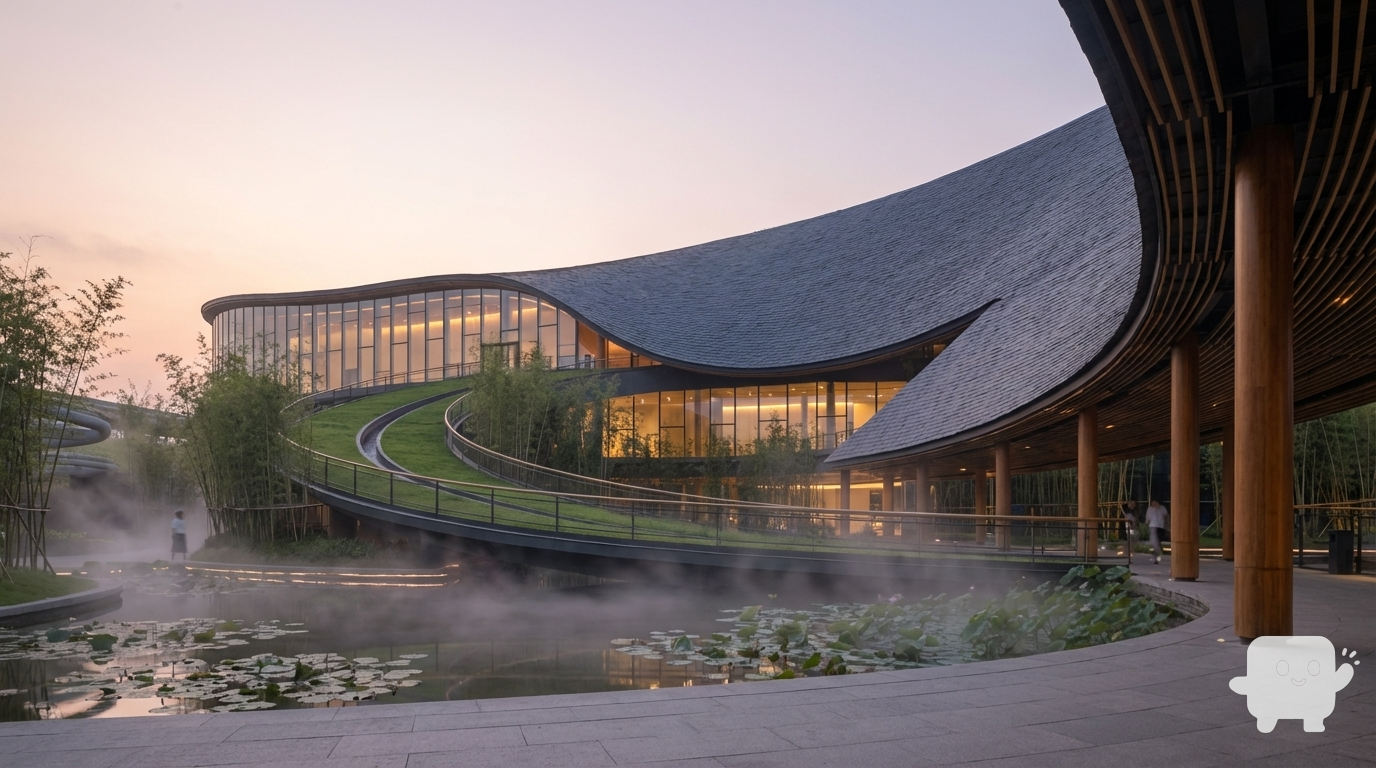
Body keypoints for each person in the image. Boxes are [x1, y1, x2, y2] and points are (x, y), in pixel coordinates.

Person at [1145, 499, 1168, 565]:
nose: (1154, 504)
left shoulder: (1162, 508)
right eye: (1153, 502)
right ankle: (1156, 556)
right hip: (1153, 526)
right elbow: (1148, 518)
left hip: (1161, 526)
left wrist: (1167, 525)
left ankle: (1157, 554)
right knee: (1155, 541)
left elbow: (1166, 517)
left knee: (1159, 541)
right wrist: (1147, 523)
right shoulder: (1150, 509)